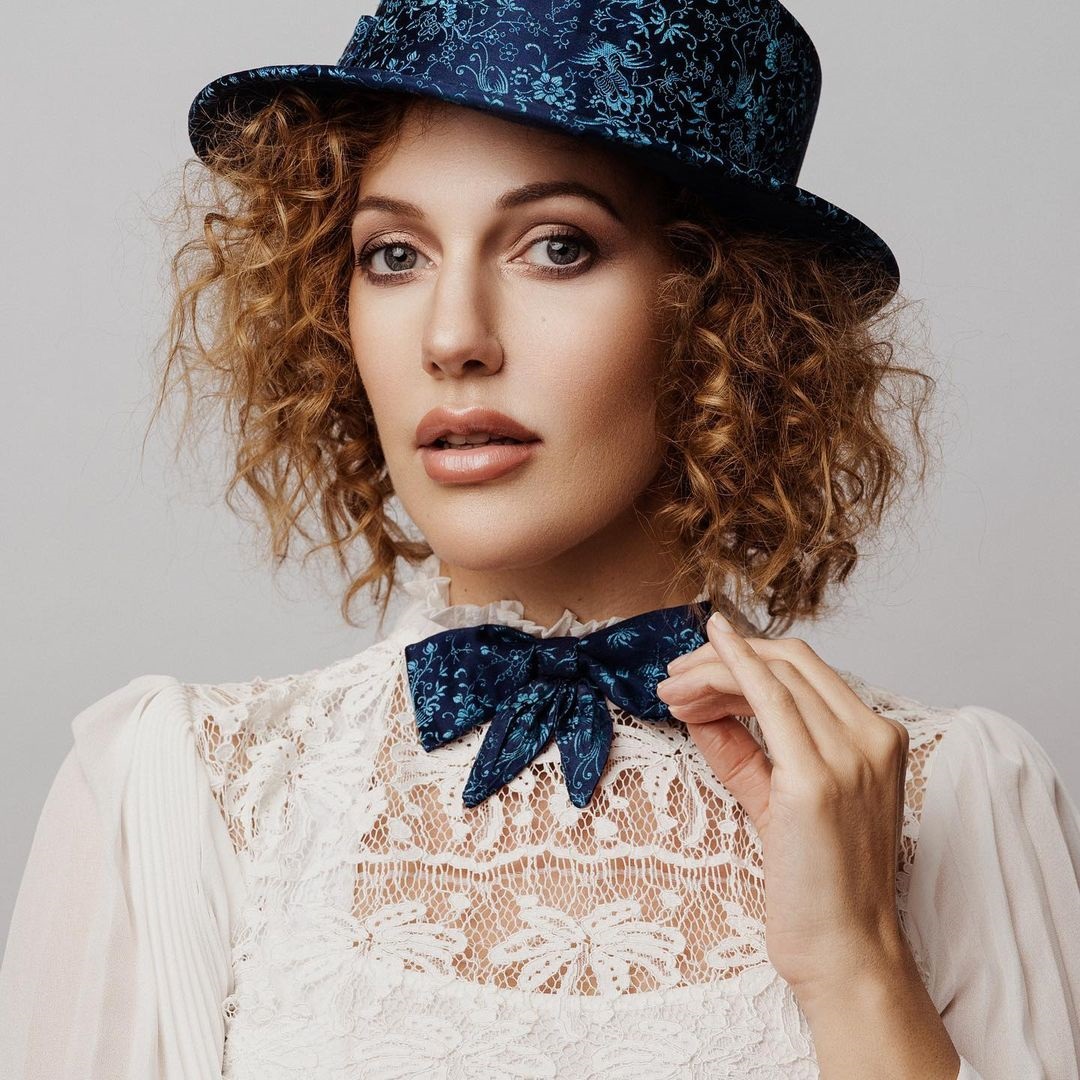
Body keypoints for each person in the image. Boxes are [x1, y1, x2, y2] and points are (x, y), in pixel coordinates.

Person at [3, 2, 1079, 1077]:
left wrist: (858, 964)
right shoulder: (177, 793)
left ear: (727, 316)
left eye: (557, 247)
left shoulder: (962, 797)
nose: (453, 337)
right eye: (393, 255)